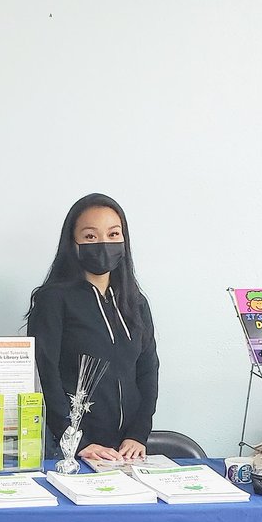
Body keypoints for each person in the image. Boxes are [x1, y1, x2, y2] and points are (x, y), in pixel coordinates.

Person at [25, 193, 159, 462]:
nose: (103, 244)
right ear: (72, 243)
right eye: (90, 236)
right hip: (72, 450)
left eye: (113, 234)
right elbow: (45, 375)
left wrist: (138, 434)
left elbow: (148, 370)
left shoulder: (135, 302)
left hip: (126, 453)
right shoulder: (53, 299)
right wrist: (75, 440)